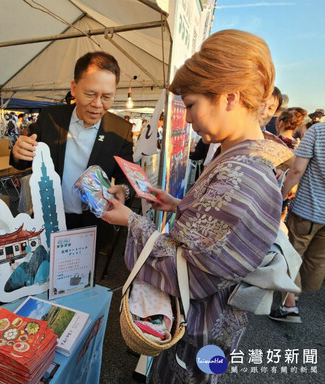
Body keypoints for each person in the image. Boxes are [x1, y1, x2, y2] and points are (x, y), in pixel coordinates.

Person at [101, 30, 293, 383]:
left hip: (200, 326)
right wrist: (179, 205)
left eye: (190, 105)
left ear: (229, 97)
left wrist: (131, 220)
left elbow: (191, 271)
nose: (187, 119)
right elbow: (216, 229)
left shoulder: (243, 175)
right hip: (213, 322)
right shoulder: (246, 155)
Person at [10, 51, 133, 248]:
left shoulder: (120, 130)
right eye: (90, 94)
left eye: (107, 97)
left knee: (82, 277)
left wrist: (123, 190)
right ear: (74, 88)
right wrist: (18, 151)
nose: (98, 105)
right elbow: (24, 158)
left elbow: (126, 175)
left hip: (91, 223)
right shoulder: (50, 118)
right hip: (50, 216)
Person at [269, 121, 325, 323]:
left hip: (307, 209)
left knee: (289, 255)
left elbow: (297, 171)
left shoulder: (318, 132)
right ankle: (298, 290)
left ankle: (289, 305)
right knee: (317, 260)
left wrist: (281, 196)